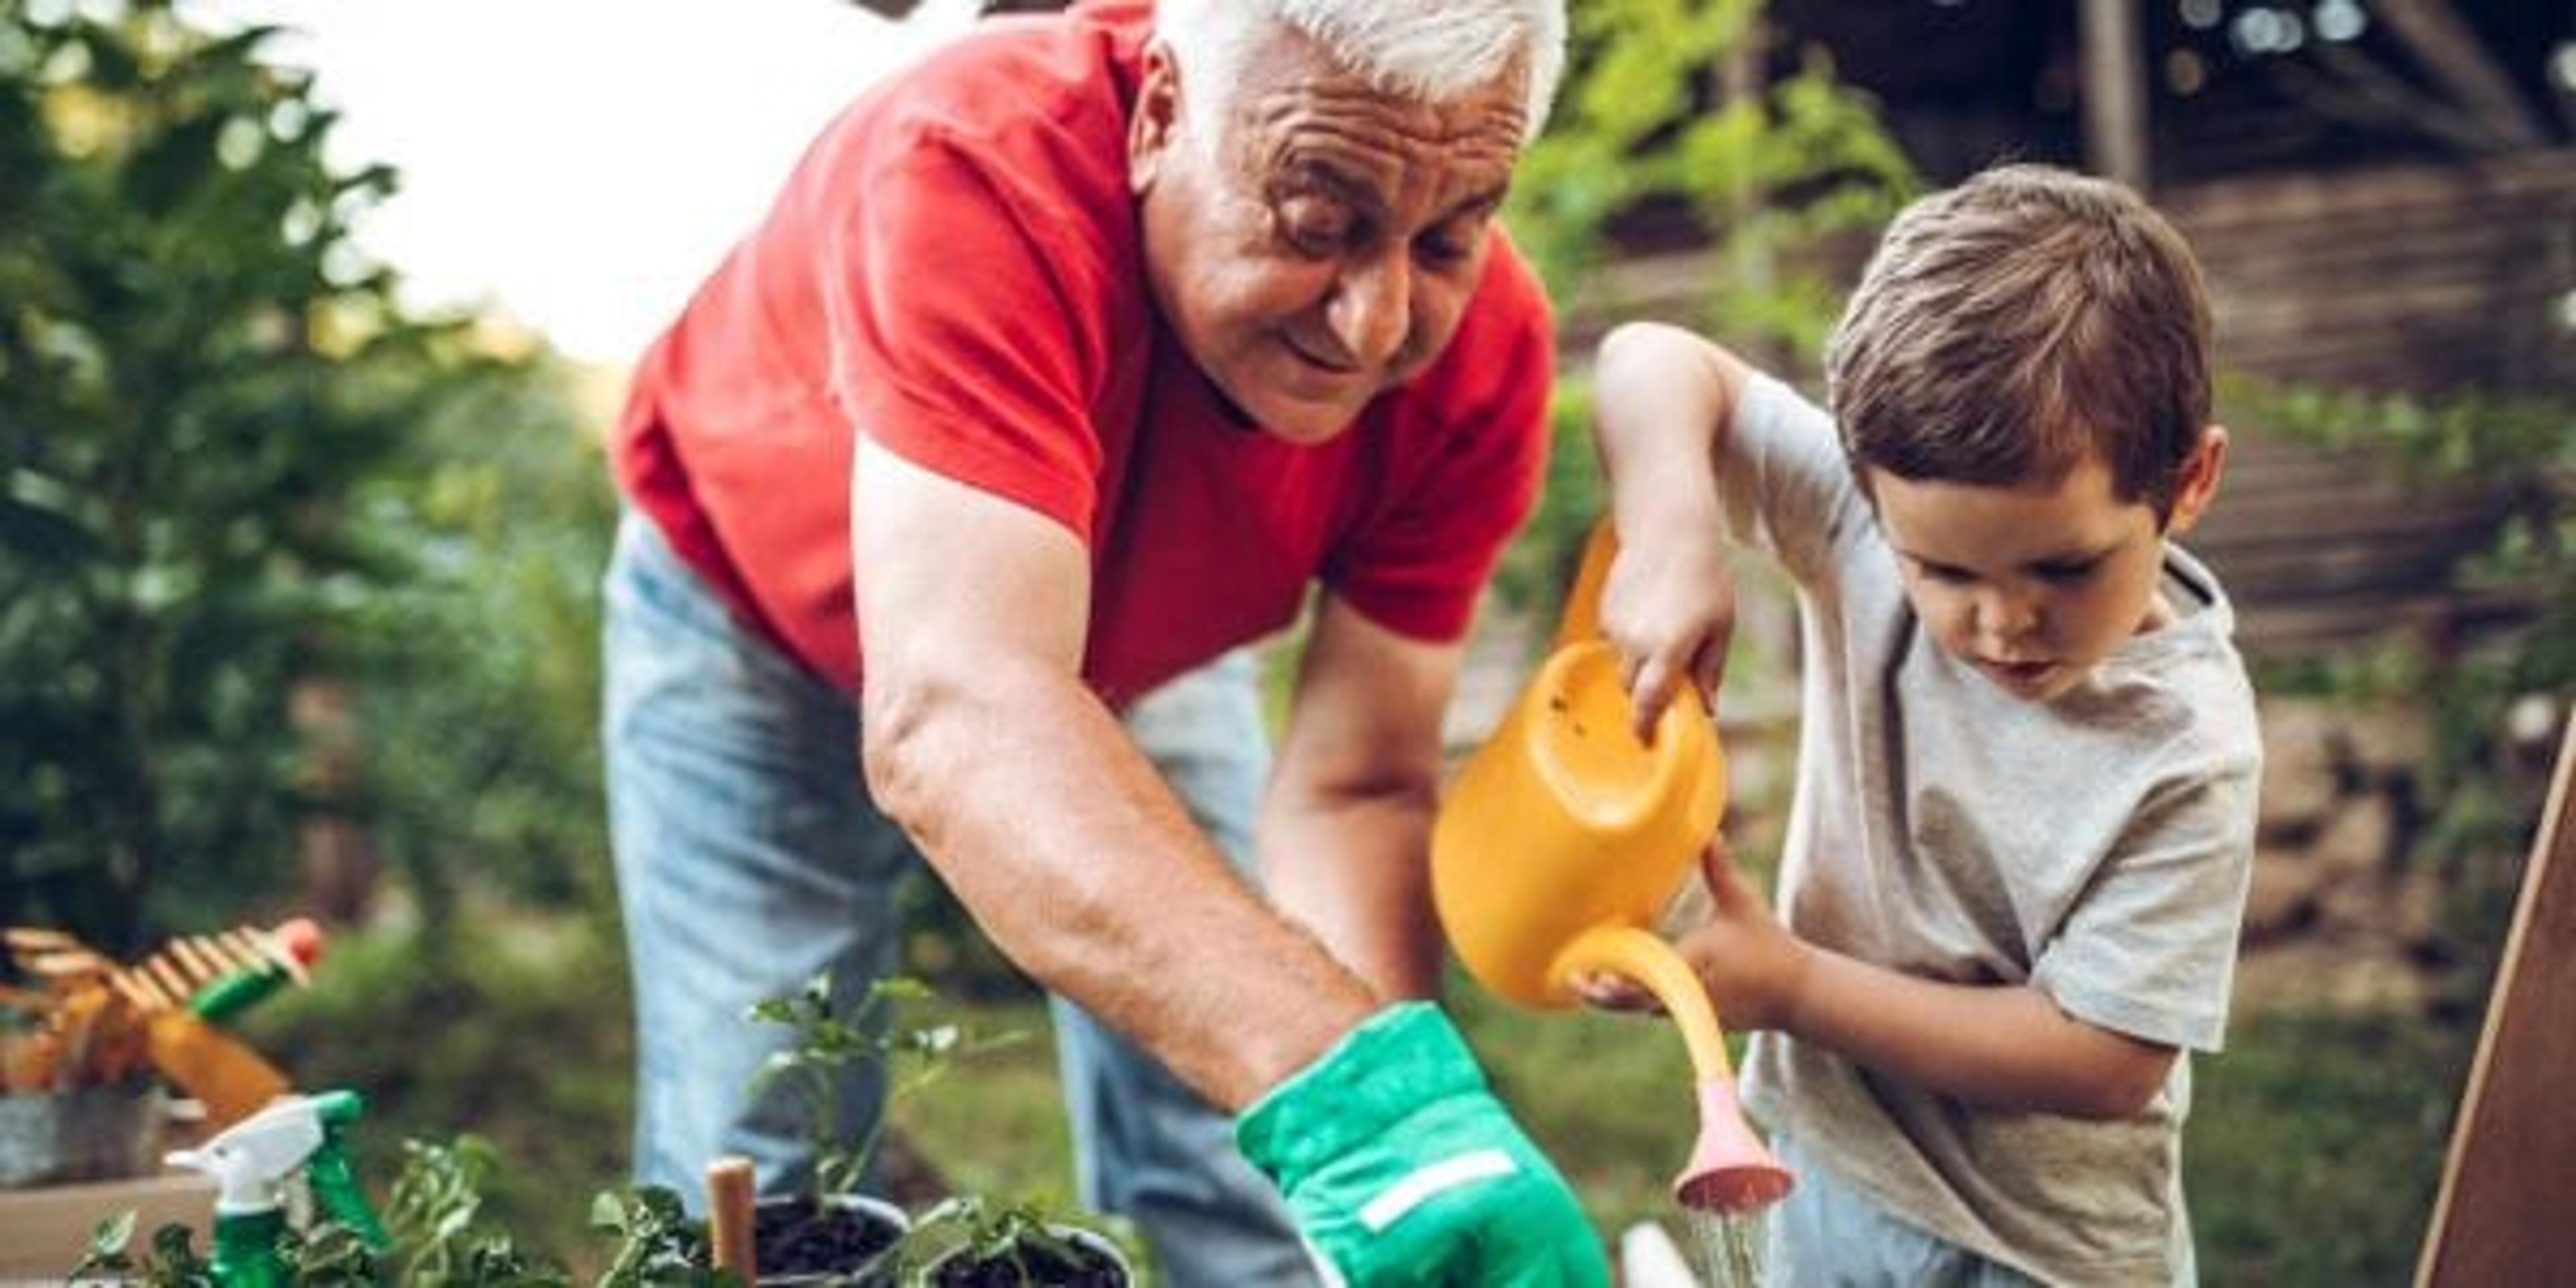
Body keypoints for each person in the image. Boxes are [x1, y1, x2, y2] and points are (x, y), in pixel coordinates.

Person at [598, 0, 1607, 1283]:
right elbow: (963, 715)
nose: (1375, 324)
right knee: (765, 1155)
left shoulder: (1477, 361)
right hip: (754, 619)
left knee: (1249, 1151)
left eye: (1451, 235)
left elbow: (1356, 786)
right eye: (1319, 220)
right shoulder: (973, 167)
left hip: (1135, 655)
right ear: (1162, 113)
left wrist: (1419, 1129)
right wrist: (1359, 1101)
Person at [1585, 164, 2260, 1284]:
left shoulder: (2187, 744)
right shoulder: (1857, 517)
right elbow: (1648, 359)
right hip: (1829, 1167)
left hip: (2043, 1248)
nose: (2000, 622)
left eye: (2064, 566)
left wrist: (1790, 987)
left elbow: (2104, 1062)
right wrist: (1672, 533)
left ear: (2189, 481)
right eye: (1941, 569)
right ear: (1868, 487)